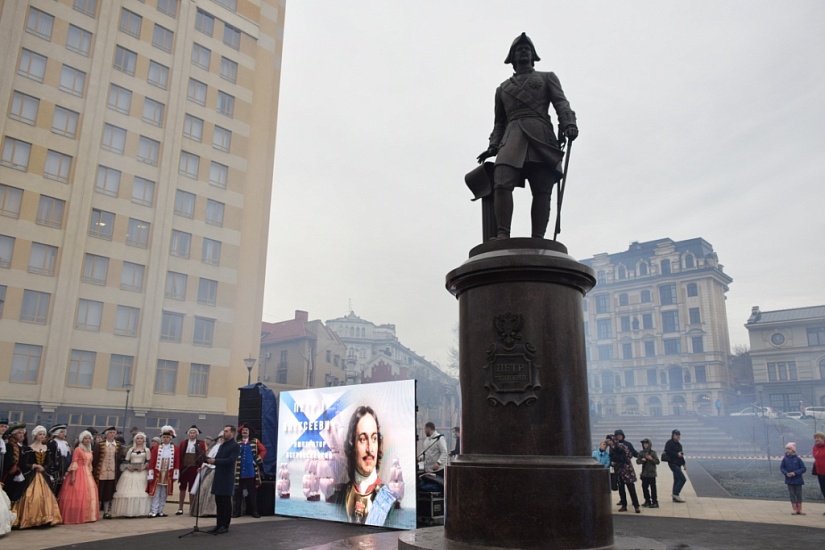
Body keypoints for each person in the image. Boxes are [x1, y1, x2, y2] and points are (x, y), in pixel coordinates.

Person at [476, 33, 578, 240]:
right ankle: (503, 234)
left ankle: (538, 238)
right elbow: (499, 122)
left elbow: (561, 102)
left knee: (542, 189)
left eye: (527, 49)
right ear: (511, 58)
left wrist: (568, 122)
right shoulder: (502, 89)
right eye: (519, 49)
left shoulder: (547, 77)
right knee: (502, 181)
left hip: (541, 135)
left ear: (533, 56)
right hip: (512, 136)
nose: (523, 51)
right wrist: (493, 145)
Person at [336, 406, 398, 525]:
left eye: (374, 438)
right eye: (363, 439)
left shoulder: (391, 503)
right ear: (352, 444)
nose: (370, 449)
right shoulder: (338, 498)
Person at [11, 425, 62, 528]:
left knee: (46, 497)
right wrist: (34, 466)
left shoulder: (46, 448)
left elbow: (49, 462)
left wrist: (44, 467)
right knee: (31, 496)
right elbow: (24, 463)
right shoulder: (29, 448)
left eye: (43, 434)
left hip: (43, 476)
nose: (42, 436)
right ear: (35, 435)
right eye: (40, 434)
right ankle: (30, 519)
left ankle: (46, 518)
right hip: (32, 476)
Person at [58, 430, 99, 524]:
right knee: (77, 492)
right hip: (78, 472)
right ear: (82, 439)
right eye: (85, 438)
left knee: (89, 492)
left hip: (87, 473)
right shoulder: (78, 449)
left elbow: (89, 464)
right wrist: (73, 476)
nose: (87, 440)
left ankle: (88, 515)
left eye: (89, 438)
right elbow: (74, 462)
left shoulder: (89, 449)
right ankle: (75, 514)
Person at [205, 425, 240, 535]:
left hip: (226, 477)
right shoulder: (222, 445)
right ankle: (218, 524)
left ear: (232, 434)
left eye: (226, 431)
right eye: (224, 431)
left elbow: (230, 460)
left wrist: (215, 461)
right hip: (219, 475)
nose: (224, 433)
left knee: (225, 502)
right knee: (218, 501)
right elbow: (218, 458)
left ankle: (225, 525)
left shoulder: (235, 446)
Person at [111, 432, 152, 517]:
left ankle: (139, 511)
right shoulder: (131, 450)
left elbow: (149, 461)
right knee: (127, 491)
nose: (139, 440)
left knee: (141, 491)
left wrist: (143, 467)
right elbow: (126, 460)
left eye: (141, 438)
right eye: (138, 438)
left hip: (141, 472)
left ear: (144, 440)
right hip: (130, 472)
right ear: (135, 440)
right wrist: (128, 467)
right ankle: (126, 511)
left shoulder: (147, 450)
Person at [232, 424, 266, 518]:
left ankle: (254, 512)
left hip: (250, 471)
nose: (244, 432)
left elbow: (263, 450)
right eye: (243, 430)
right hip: (239, 472)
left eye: (246, 430)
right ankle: (237, 512)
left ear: (249, 432)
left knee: (252, 493)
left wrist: (257, 461)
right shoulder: (238, 443)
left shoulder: (255, 442)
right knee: (238, 493)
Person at [146, 426, 180, 518]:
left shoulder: (175, 449)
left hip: (168, 473)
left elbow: (177, 461)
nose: (165, 439)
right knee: (156, 492)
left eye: (167, 437)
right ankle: (154, 511)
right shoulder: (156, 448)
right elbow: (152, 461)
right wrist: (150, 473)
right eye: (164, 437)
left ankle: (160, 510)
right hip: (158, 472)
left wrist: (176, 474)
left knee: (164, 493)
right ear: (161, 438)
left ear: (171, 438)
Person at [92, 426, 122, 519]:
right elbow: (95, 458)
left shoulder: (118, 444)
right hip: (101, 472)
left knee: (108, 493)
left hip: (112, 473)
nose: (112, 434)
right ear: (106, 434)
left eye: (114, 433)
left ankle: (106, 512)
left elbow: (119, 458)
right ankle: (95, 512)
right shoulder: (100, 444)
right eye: (110, 432)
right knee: (99, 492)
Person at [190, 434, 223, 517]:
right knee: (205, 488)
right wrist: (203, 466)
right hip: (211, 469)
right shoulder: (215, 447)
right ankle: (205, 510)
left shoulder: (227, 447)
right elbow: (208, 458)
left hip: (220, 470)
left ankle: (215, 511)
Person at [176, 425, 206, 515]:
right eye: (191, 433)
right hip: (184, 467)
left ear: (196, 434)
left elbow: (202, 456)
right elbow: (180, 455)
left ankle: (191, 507)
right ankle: (180, 507)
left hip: (194, 468)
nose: (192, 434)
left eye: (194, 433)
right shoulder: (183, 443)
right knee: (182, 487)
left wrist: (201, 466)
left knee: (192, 488)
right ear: (188, 434)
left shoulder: (200, 443)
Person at [608, 435, 640, 513]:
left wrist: (621, 460)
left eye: (609, 440)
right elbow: (611, 458)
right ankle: (624, 505)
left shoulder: (621, 446)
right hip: (618, 471)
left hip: (627, 471)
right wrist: (612, 463)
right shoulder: (611, 449)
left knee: (631, 488)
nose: (608, 442)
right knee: (621, 489)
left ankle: (636, 506)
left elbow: (629, 455)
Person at [1, 424, 27, 503]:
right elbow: (9, 460)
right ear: (13, 434)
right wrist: (16, 471)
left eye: (22, 433)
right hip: (10, 474)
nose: (21, 435)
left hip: (18, 473)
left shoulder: (19, 446)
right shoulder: (9, 445)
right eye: (19, 433)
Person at [780, 442, 806, 515]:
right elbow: (782, 468)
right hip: (789, 480)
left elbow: (803, 468)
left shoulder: (798, 459)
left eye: (789, 449)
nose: (788, 450)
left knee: (798, 494)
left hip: (798, 480)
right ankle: (794, 509)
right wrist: (786, 473)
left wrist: (795, 473)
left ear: (793, 450)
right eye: (787, 449)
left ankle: (799, 509)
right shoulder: (785, 459)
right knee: (792, 494)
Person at [47, 424, 72, 497]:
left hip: (64, 472)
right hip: (55, 472)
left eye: (64, 432)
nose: (64, 434)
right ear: (56, 433)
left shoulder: (66, 444)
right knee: (53, 490)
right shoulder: (52, 444)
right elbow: (50, 459)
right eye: (61, 432)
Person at [663, 429, 687, 502]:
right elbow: (667, 451)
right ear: (673, 435)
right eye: (676, 435)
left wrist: (684, 464)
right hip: (672, 463)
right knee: (683, 479)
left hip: (678, 463)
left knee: (676, 480)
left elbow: (681, 455)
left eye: (679, 435)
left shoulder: (679, 445)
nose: (678, 436)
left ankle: (675, 497)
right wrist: (676, 454)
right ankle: (676, 494)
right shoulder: (669, 443)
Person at [636, 438, 660, 508]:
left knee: (653, 488)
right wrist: (642, 460)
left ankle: (655, 502)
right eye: (644, 444)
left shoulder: (653, 453)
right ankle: (647, 500)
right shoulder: (641, 452)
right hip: (644, 473)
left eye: (646, 443)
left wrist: (651, 459)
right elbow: (637, 461)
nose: (645, 445)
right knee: (644, 487)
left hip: (652, 473)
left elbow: (657, 462)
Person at [813, 432, 825, 514]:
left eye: (818, 437)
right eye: (816, 438)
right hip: (820, 472)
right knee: (824, 490)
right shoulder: (815, 448)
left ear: (823, 438)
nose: (817, 439)